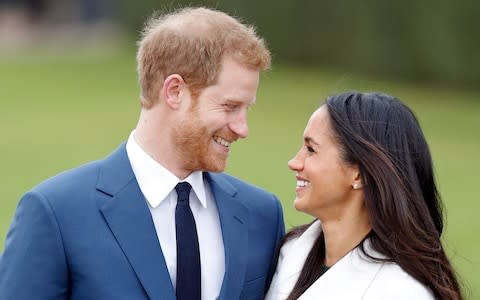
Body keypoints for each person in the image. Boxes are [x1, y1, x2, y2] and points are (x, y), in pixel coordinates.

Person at [0, 7, 285, 300]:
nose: (243, 128)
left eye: (246, 109)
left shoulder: (261, 215)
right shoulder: (56, 213)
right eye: (230, 107)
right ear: (174, 91)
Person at [265, 91, 463, 300]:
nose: (294, 162)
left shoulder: (403, 292)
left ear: (359, 175)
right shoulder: (290, 252)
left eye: (311, 149)